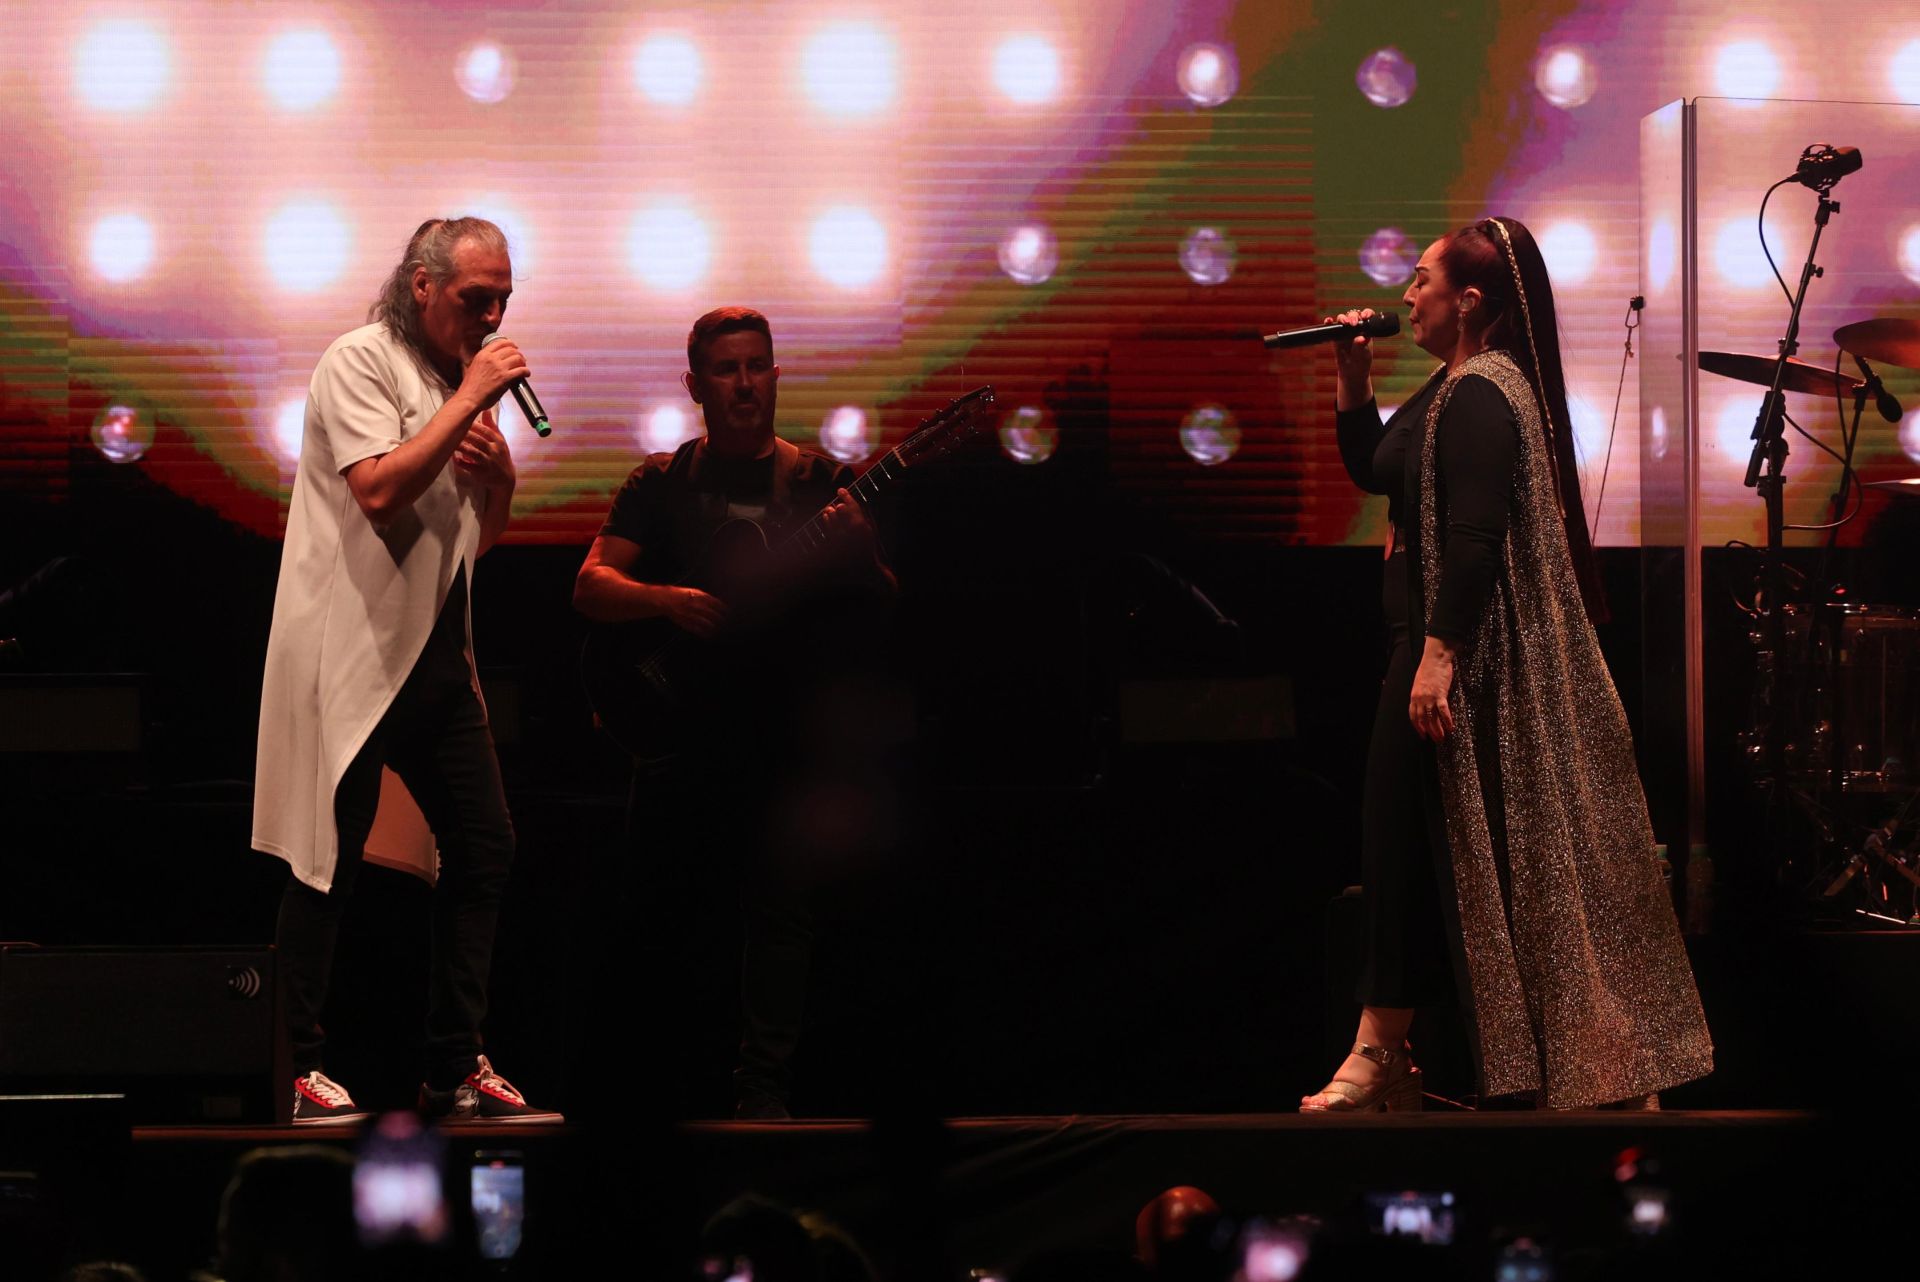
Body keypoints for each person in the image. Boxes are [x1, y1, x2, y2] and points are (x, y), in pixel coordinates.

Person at [1305, 216, 1712, 1111]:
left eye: (1421, 281)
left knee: (1450, 844)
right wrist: (1351, 373)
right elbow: (1378, 472)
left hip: (1452, 656)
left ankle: (1561, 1056)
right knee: (1405, 845)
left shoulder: (1486, 394)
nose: (1405, 297)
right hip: (1422, 648)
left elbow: (1478, 536)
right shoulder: (1451, 389)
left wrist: (1439, 657)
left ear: (1471, 300)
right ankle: (1391, 1057)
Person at [252, 217, 558, 1124]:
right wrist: (470, 401)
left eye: (504, 296)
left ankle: (454, 1062)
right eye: (476, 298)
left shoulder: (451, 383)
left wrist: (499, 479)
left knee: (487, 843)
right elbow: (380, 491)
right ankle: (295, 1064)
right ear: (422, 285)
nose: (494, 312)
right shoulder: (359, 359)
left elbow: (471, 541)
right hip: (347, 648)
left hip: (430, 653)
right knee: (325, 858)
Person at [574, 306, 896, 1120]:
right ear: (695, 385)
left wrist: (861, 552)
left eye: (758, 366)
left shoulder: (820, 483)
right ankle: (654, 1097)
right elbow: (590, 587)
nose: (746, 383)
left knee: (782, 921)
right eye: (727, 369)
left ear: (777, 375)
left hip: (782, 742)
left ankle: (763, 1099)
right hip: (680, 740)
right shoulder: (661, 483)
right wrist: (666, 601)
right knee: (661, 918)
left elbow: (886, 608)